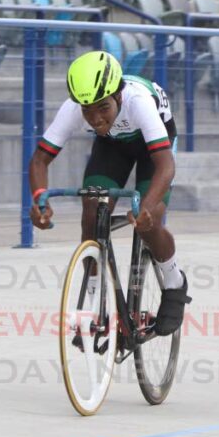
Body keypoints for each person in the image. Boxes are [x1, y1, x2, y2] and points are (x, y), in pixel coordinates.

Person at [28, 50, 190, 336]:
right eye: (87, 110)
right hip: (112, 146)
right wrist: (39, 198)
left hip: (154, 145)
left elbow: (165, 166)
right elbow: (40, 159)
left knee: (150, 221)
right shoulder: (73, 108)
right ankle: (96, 310)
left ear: (118, 96)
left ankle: (174, 282)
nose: (95, 118)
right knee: (91, 213)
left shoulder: (138, 102)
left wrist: (146, 207)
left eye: (102, 107)